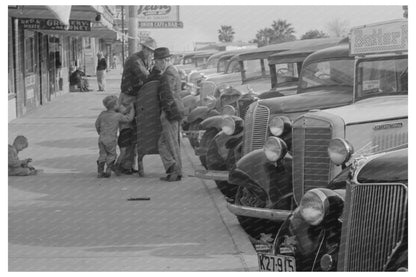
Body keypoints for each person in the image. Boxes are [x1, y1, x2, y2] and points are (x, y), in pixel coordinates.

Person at [118, 38, 157, 175]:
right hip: (128, 99)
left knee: (135, 132)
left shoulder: (144, 60)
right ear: (144, 48)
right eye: (149, 50)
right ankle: (123, 164)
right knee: (127, 131)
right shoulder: (135, 60)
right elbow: (146, 77)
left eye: (152, 52)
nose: (150, 54)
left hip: (136, 98)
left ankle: (128, 164)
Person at [153, 47, 185, 182]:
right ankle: (173, 168)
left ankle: (175, 171)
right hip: (173, 111)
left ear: (163, 61)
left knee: (169, 144)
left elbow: (169, 96)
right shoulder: (171, 72)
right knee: (165, 143)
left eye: (156, 62)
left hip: (169, 112)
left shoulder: (168, 74)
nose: (155, 64)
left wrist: (168, 113)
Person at [95, 95, 134, 178]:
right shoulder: (117, 116)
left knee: (102, 154)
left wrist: (99, 132)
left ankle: (100, 171)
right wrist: (132, 109)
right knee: (111, 155)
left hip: (101, 138)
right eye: (117, 103)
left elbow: (97, 124)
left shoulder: (102, 114)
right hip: (111, 139)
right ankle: (108, 170)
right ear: (114, 106)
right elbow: (128, 119)